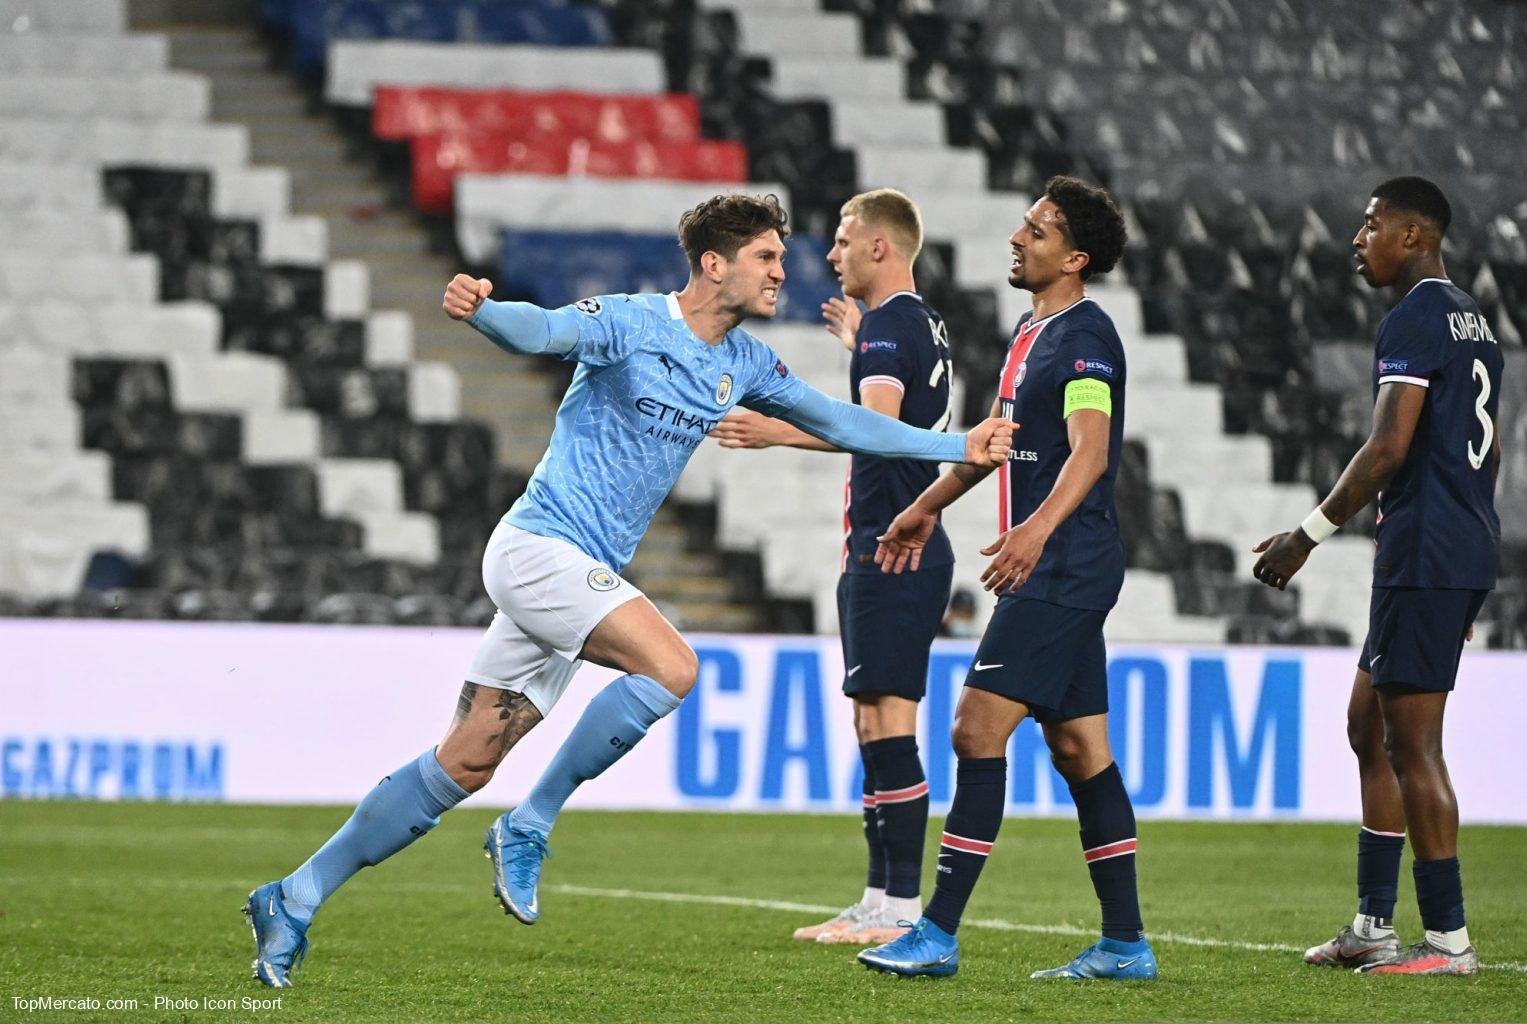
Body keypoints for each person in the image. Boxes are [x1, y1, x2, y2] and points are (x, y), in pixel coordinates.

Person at [242, 193, 1017, 988]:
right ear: (715, 265)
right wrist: (483, 311)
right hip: (538, 548)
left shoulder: (745, 363)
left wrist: (954, 443)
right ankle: (530, 823)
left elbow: (842, 423)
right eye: (766, 258)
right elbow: (542, 330)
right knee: (672, 667)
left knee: (465, 761)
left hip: (579, 576)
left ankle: (294, 897)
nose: (785, 271)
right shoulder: (630, 323)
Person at [856, 176, 1157, 981]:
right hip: (1060, 564)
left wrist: (1033, 529)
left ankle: (938, 932)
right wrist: (925, 506)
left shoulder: (1087, 339)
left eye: (1039, 230)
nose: (1019, 238)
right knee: (1079, 746)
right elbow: (995, 447)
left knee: (974, 731)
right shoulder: (1032, 334)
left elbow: (1089, 452)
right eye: (1024, 225)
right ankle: (1126, 944)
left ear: (1076, 257)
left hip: (1064, 566)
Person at [1252, 176, 1500, 976]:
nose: (1358, 239)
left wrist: (1307, 535)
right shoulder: (1474, 320)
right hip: (1448, 546)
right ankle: (1371, 924)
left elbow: (1389, 446)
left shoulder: (1418, 314)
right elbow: (1481, 450)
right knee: (1369, 726)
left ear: (1416, 236)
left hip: (1428, 550)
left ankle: (1449, 943)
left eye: (1372, 225)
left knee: (1412, 743)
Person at [710, 189, 954, 946]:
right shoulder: (919, 323)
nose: (831, 254)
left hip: (894, 545)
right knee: (870, 722)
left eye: (845, 240)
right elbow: (907, 415)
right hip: (891, 544)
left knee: (888, 726)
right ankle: (877, 899)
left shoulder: (889, 327)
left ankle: (899, 910)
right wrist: (859, 347)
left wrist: (781, 431)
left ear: (881, 247)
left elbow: (879, 432)